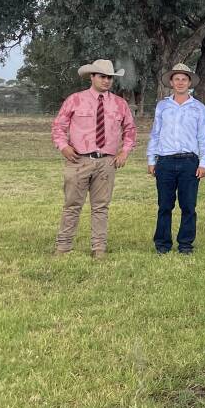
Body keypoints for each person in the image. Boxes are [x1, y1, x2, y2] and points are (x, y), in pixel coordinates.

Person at [50, 59, 137, 259]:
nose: (106, 81)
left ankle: (99, 248)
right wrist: (63, 146)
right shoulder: (75, 100)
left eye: (110, 78)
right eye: (102, 77)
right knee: (72, 205)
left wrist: (124, 151)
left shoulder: (119, 103)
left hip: (107, 162)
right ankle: (63, 247)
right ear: (92, 77)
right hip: (78, 160)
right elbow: (58, 126)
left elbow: (130, 130)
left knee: (101, 207)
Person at [146, 63, 205, 255]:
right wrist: (152, 159)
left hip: (189, 162)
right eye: (177, 79)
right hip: (165, 161)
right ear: (171, 82)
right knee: (164, 205)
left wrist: (203, 162)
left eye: (184, 79)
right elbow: (155, 133)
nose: (180, 82)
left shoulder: (199, 108)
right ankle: (162, 244)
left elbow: (204, 136)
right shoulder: (163, 106)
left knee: (188, 205)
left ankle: (185, 245)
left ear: (189, 82)